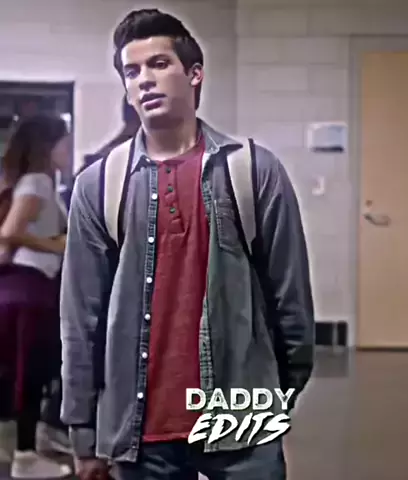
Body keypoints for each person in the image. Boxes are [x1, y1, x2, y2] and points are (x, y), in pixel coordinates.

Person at [60, 8, 315, 480]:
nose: (144, 80)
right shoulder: (99, 185)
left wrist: (278, 392)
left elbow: (290, 296)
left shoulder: (253, 171)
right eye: (132, 71)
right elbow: (81, 319)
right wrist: (83, 430)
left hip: (243, 419)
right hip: (140, 429)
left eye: (159, 64)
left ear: (194, 74)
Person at [0, 114, 72, 478]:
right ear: (49, 146)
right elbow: (10, 232)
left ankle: (30, 449)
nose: (69, 150)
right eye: (65, 143)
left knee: (27, 372)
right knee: (29, 374)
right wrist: (60, 244)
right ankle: (25, 458)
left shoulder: (36, 182)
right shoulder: (38, 181)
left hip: (25, 288)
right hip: (30, 289)